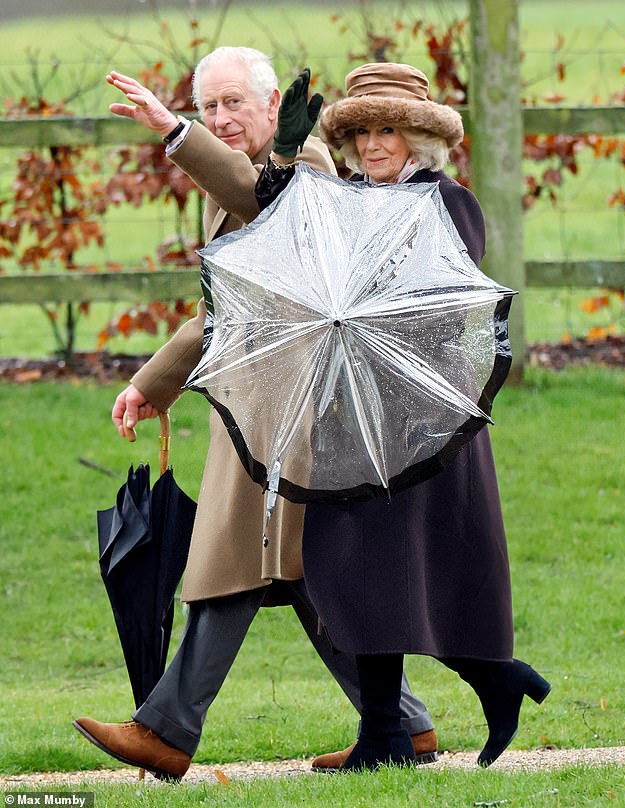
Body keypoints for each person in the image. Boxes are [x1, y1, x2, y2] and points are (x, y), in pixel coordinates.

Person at [72, 48, 436, 781]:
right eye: (208, 107)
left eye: (234, 103)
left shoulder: (306, 163)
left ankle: (166, 731)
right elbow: (229, 306)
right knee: (295, 571)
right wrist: (154, 384)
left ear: (275, 106)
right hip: (262, 407)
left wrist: (176, 134)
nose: (220, 118)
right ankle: (402, 724)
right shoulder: (239, 177)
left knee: (235, 559)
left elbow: (265, 207)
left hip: (303, 408)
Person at [254, 61, 551, 772]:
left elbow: (451, 307)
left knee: (410, 567)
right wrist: (286, 157)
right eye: (362, 133)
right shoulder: (339, 198)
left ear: (418, 137)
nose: (375, 145)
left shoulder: (446, 202)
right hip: (349, 413)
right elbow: (282, 230)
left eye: (390, 130)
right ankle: (400, 725)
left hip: (423, 418)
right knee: (355, 569)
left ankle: (473, 688)